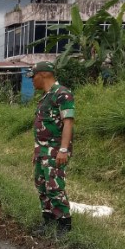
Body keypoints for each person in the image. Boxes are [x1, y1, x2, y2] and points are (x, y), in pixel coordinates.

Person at [28, 61, 75, 237]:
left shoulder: (62, 94)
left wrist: (63, 150)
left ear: (43, 75)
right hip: (42, 151)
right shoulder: (45, 97)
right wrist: (36, 150)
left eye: (34, 77)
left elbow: (68, 122)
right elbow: (41, 127)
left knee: (55, 186)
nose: (32, 81)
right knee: (42, 186)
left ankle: (64, 224)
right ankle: (48, 221)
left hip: (55, 150)